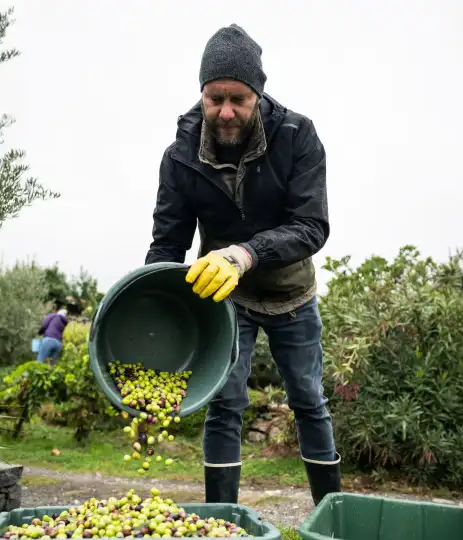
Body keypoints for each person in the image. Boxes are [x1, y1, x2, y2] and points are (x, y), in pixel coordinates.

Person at [144, 23, 340, 506]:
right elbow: (168, 244)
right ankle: (221, 522)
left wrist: (244, 253)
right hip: (223, 296)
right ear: (202, 94)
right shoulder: (180, 156)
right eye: (215, 99)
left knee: (309, 401)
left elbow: (312, 227)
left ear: (258, 95)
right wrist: (153, 315)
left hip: (291, 292)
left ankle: (331, 516)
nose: (225, 112)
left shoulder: (298, 136)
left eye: (238, 99)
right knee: (225, 403)